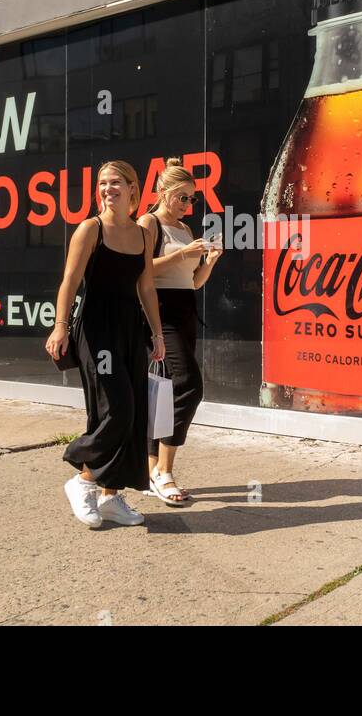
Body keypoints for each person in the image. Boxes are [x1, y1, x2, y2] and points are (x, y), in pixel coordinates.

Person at [46, 161, 166, 528]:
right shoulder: (90, 229)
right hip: (97, 330)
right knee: (118, 409)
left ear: (133, 188)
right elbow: (69, 281)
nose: (107, 188)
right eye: (102, 183)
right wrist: (60, 326)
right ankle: (82, 482)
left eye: (115, 182)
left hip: (131, 330)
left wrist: (157, 334)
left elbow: (146, 287)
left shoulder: (144, 235)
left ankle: (112, 497)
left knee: (134, 415)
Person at [137, 159, 222, 505]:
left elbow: (194, 282)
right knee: (189, 385)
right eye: (183, 198)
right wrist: (182, 254)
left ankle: (149, 467)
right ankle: (164, 472)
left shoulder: (186, 230)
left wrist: (209, 262)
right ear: (164, 192)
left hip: (186, 310)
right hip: (160, 312)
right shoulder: (149, 222)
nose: (188, 205)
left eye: (191, 199)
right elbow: (141, 270)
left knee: (164, 391)